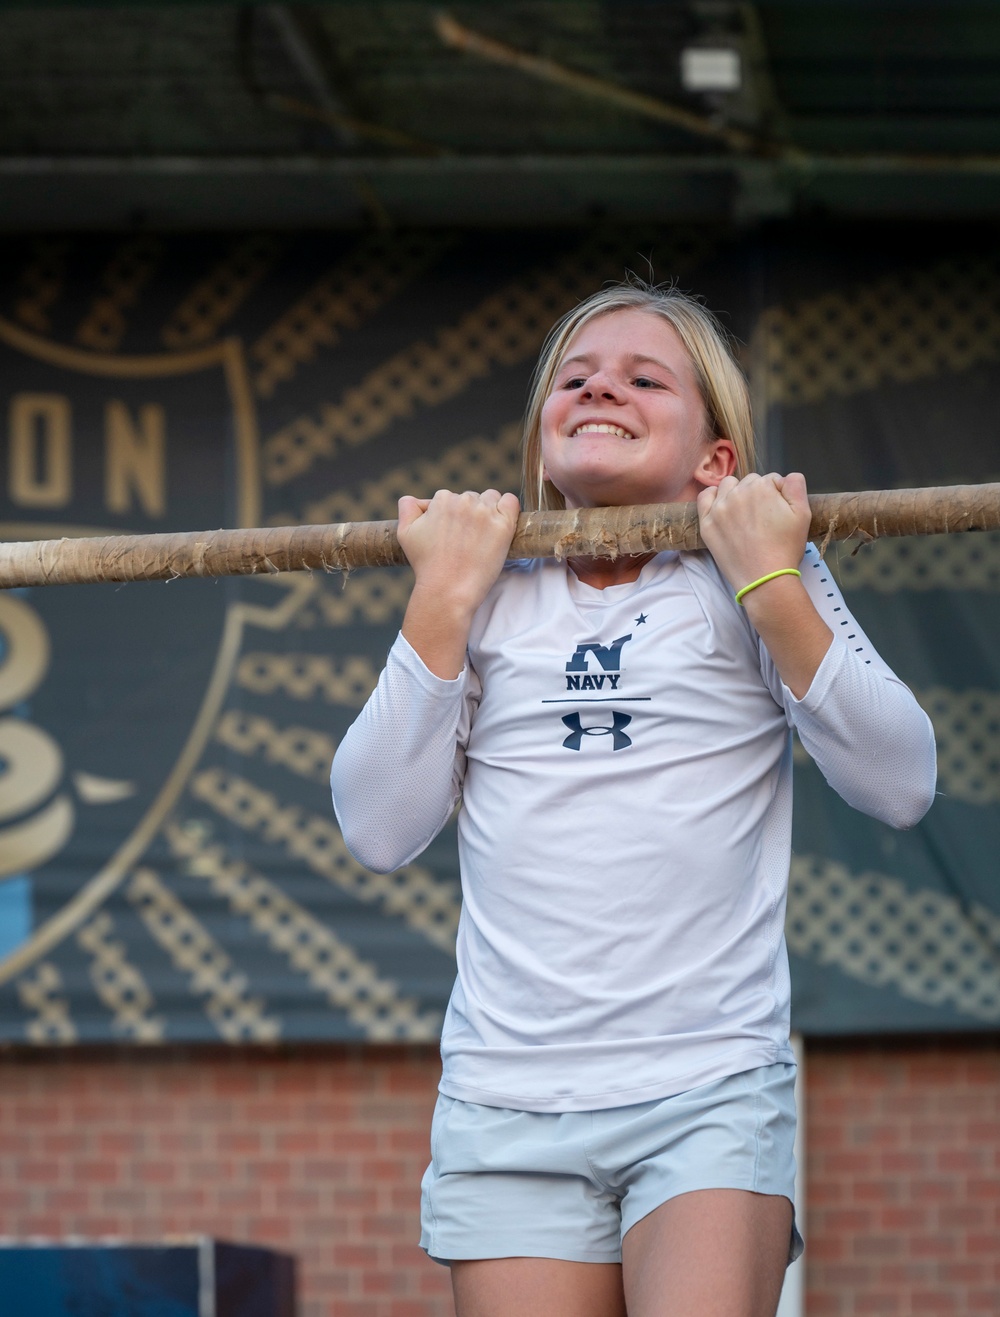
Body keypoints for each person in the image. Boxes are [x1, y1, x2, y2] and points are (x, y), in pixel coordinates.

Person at [331, 281, 936, 1317]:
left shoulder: (752, 571)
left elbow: (901, 783)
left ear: (716, 460)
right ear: (540, 447)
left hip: (704, 1088)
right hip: (507, 1100)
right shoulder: (480, 590)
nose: (599, 383)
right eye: (574, 378)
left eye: (642, 377)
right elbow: (377, 829)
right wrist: (437, 600)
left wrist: (768, 575)